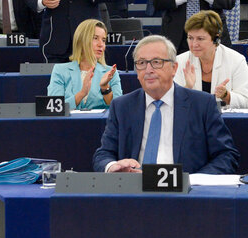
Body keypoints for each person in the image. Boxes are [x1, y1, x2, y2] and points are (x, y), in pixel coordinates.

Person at [92, 35, 239, 174]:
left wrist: (191, 181)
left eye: (156, 62)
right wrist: (112, 167)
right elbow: (103, 154)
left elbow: (226, 156)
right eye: (141, 63)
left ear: (174, 68)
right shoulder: (122, 106)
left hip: (186, 194)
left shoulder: (202, 104)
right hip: (135, 191)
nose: (148, 70)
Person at [173, 10, 248, 108]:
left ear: (216, 38)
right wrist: (187, 88)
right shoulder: (180, 61)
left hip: (227, 121)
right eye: (190, 38)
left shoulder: (236, 60)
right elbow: (173, 103)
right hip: (192, 121)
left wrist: (226, 96)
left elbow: (247, 102)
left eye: (200, 39)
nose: (194, 44)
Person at [47, 19, 122, 110]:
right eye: (95, 38)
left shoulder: (110, 73)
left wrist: (105, 87)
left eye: (103, 40)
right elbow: (54, 109)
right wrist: (82, 93)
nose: (101, 44)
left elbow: (118, 109)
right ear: (82, 41)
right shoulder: (60, 71)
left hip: (101, 124)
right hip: (68, 124)